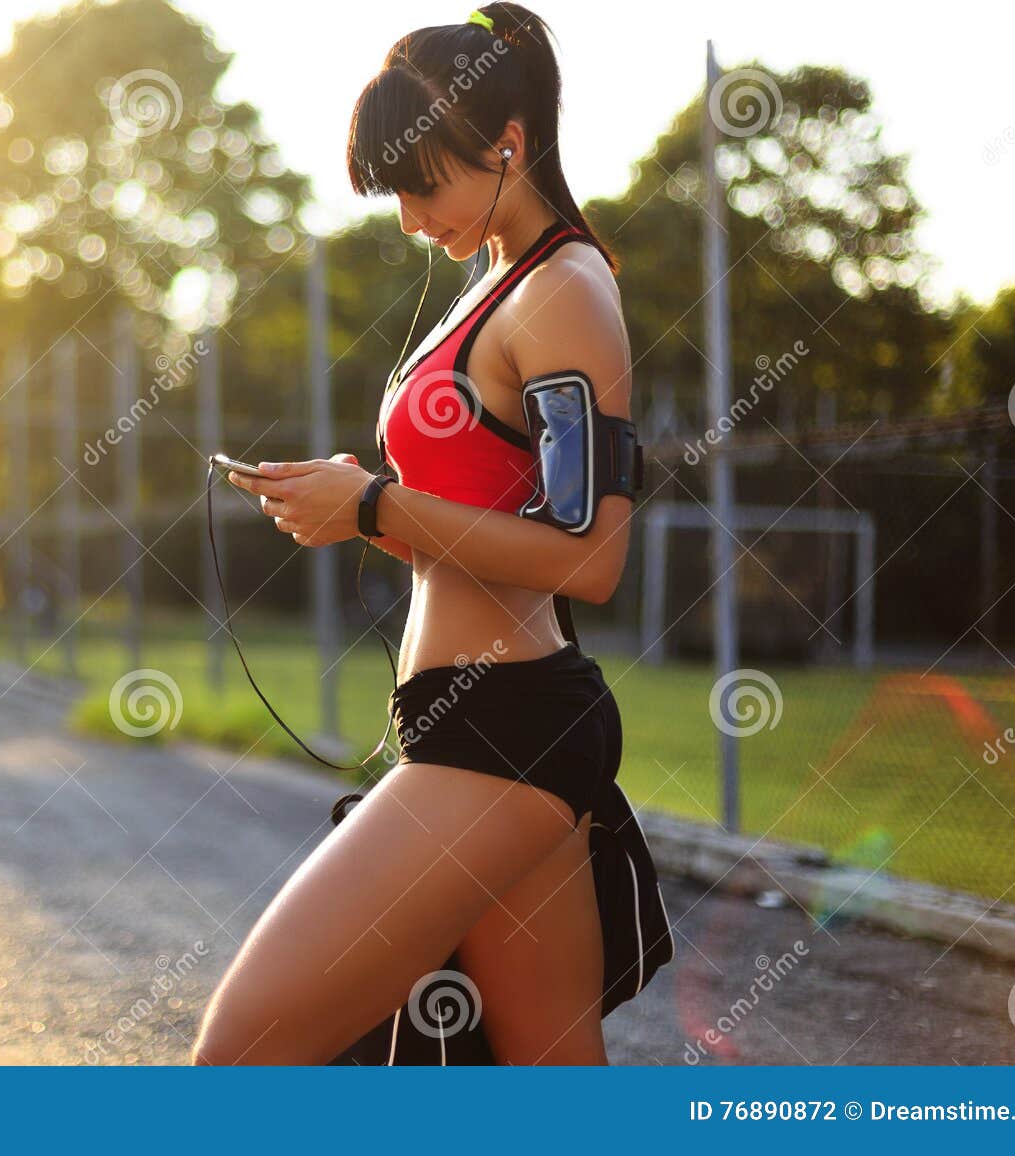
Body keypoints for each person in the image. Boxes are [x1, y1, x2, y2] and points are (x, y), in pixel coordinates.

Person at [193, 2, 650, 1065]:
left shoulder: (565, 291)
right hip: (482, 727)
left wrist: (371, 506)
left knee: (237, 1056)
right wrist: (356, 502)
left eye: (421, 184)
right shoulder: (493, 287)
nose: (405, 218)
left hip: (507, 729)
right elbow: (485, 522)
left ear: (509, 145)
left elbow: (592, 556)